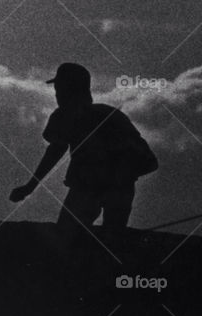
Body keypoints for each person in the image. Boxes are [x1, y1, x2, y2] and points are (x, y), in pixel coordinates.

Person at [9, 62, 158, 232]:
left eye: (59, 89)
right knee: (112, 235)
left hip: (89, 186)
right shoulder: (111, 114)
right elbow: (147, 158)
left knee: (68, 234)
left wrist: (30, 187)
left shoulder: (64, 116)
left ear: (68, 90)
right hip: (119, 186)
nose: (57, 94)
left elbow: (55, 151)